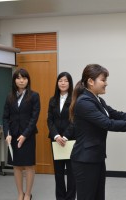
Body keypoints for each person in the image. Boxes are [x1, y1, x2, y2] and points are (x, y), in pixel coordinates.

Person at [69, 64, 126, 200]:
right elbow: (108, 123)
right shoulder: (84, 102)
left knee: (98, 196)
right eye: (103, 80)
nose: (106, 84)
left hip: (96, 156)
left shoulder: (97, 99)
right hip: (85, 160)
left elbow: (117, 115)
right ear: (91, 81)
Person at [3, 68, 40, 200]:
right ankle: (20, 193)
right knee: (17, 166)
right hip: (13, 136)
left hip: (28, 136)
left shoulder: (34, 96)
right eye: (18, 78)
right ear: (14, 80)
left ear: (28, 80)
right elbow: (5, 117)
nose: (21, 80)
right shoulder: (9, 96)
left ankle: (28, 194)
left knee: (29, 165)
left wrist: (24, 135)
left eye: (24, 78)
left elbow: (34, 118)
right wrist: (7, 133)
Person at [47, 72, 76, 200]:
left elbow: (75, 120)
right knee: (58, 174)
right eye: (60, 80)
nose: (63, 83)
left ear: (70, 84)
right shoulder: (52, 100)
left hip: (70, 140)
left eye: (65, 81)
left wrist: (65, 136)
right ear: (57, 83)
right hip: (55, 141)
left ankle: (70, 198)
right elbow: (49, 120)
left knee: (71, 173)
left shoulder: (75, 99)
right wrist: (56, 136)